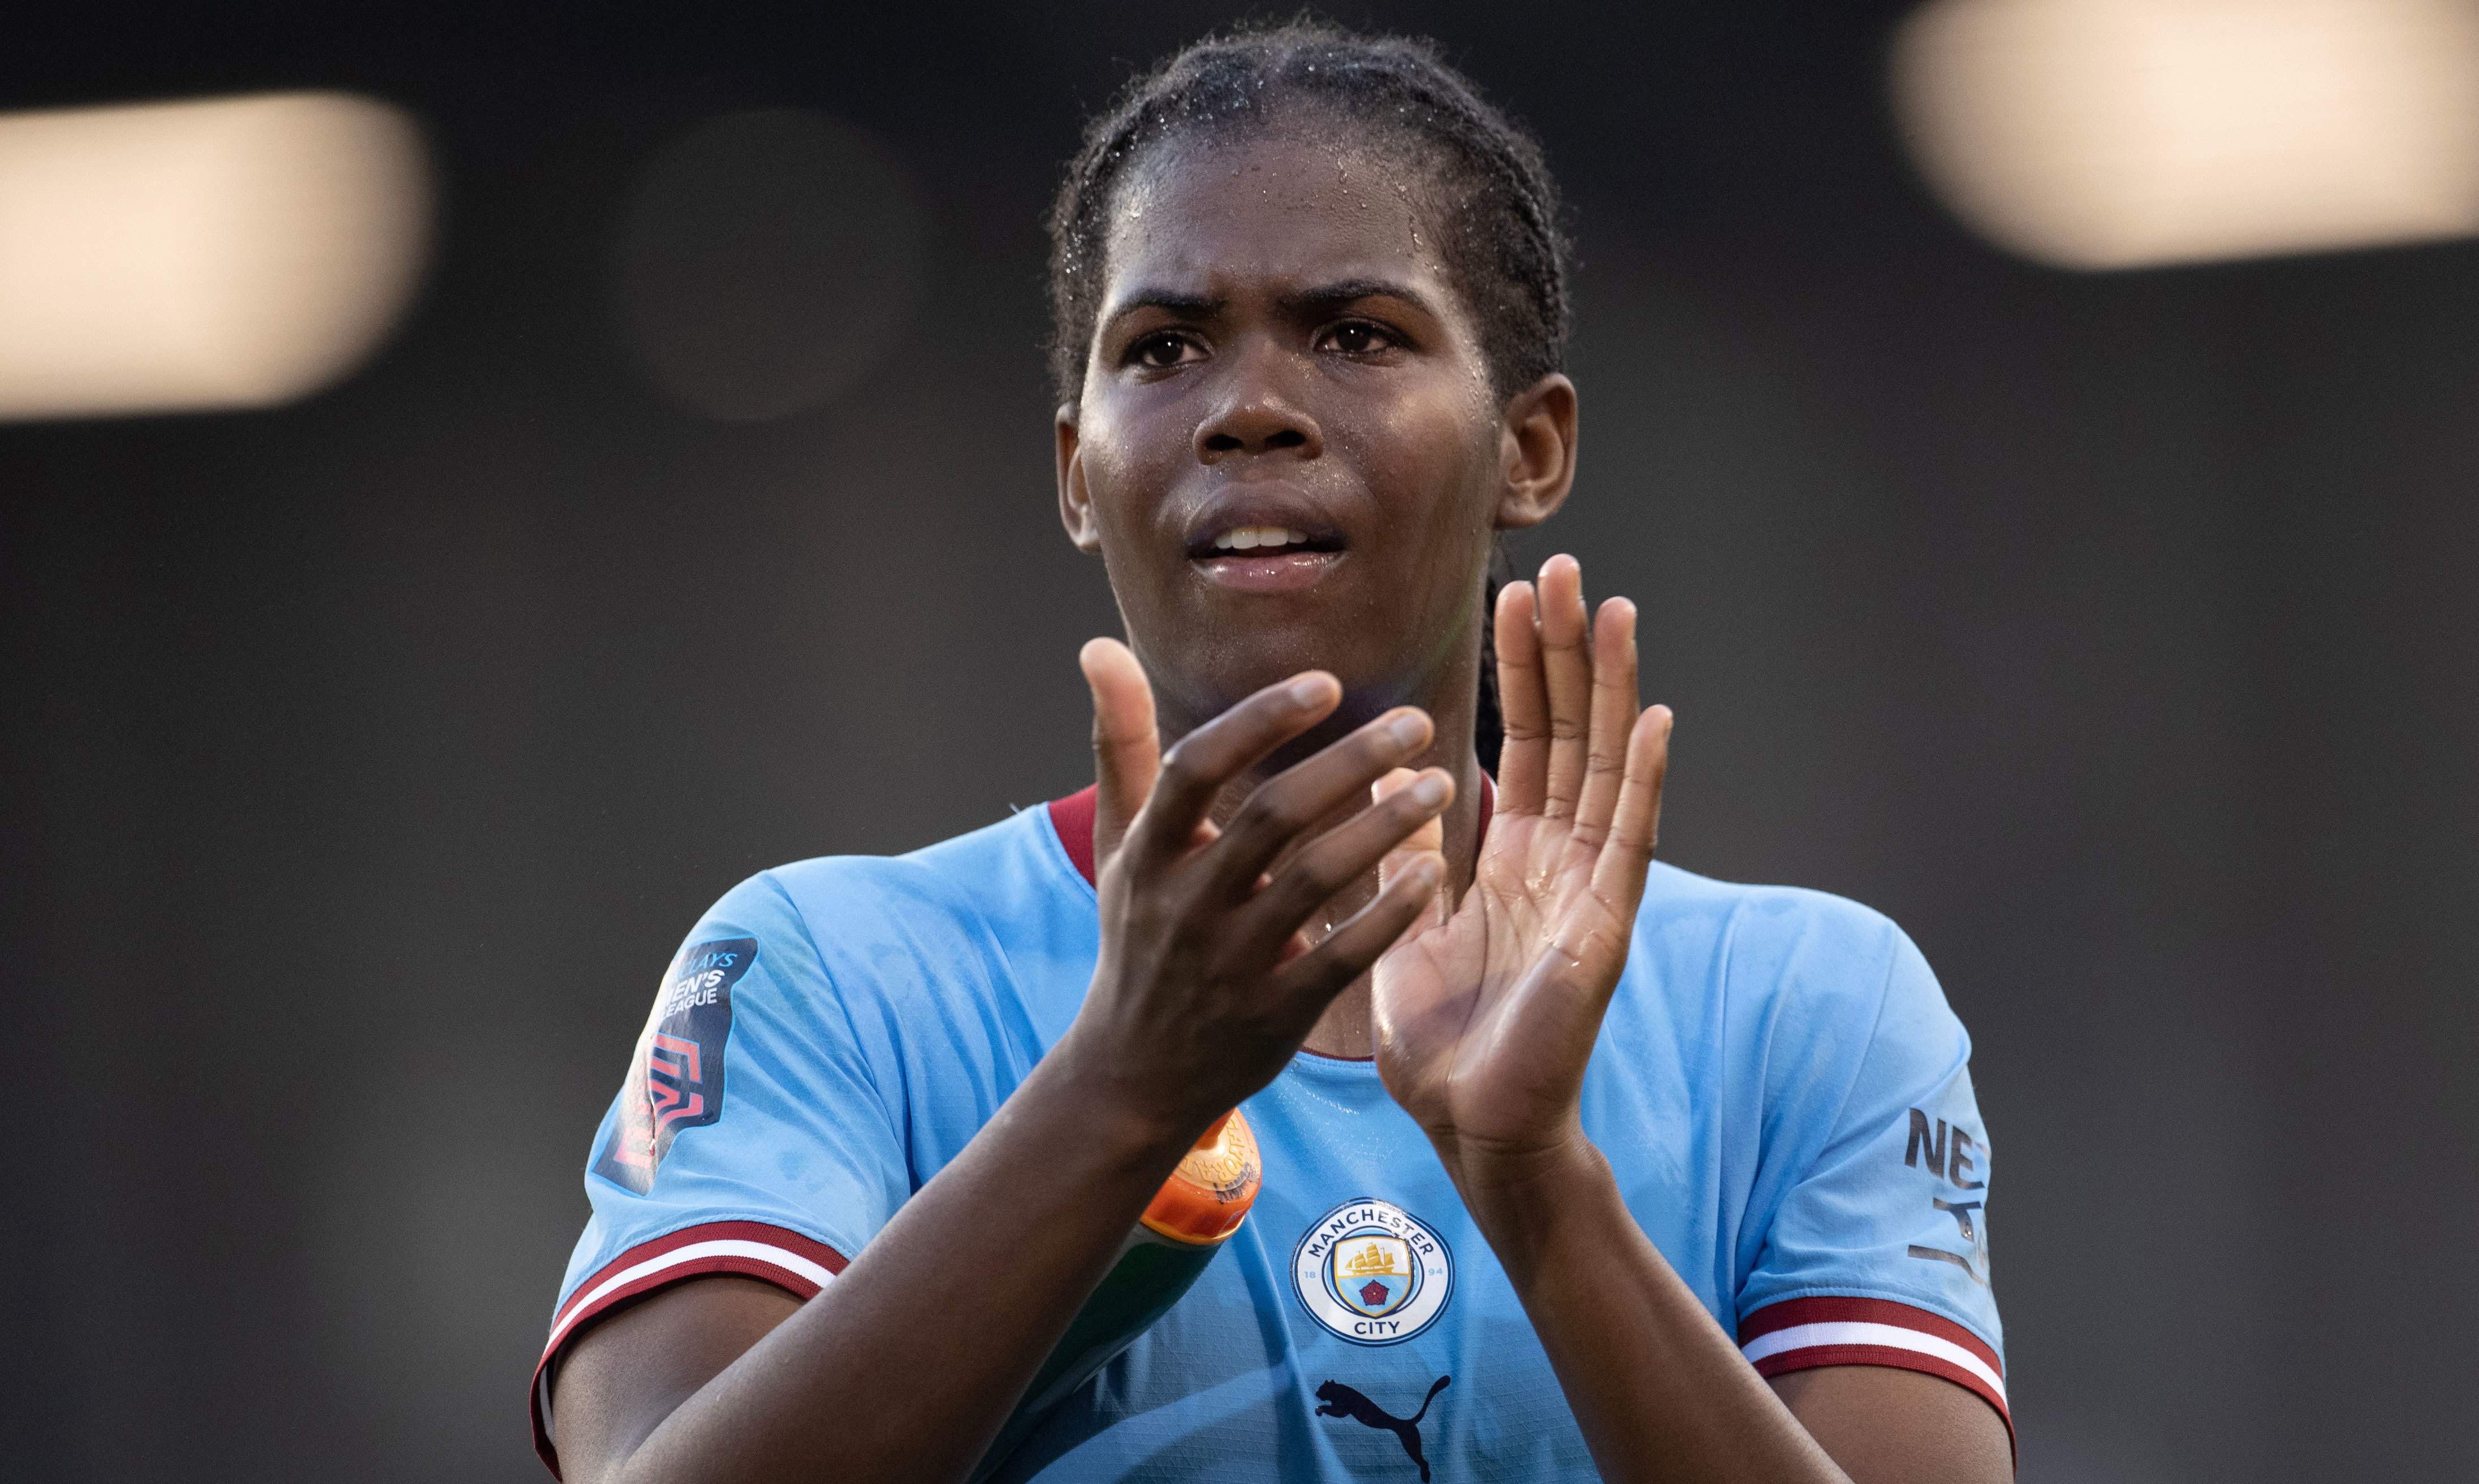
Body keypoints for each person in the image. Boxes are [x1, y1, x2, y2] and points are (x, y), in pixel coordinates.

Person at [533, 23, 2011, 1484]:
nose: (1246, 409)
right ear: (1073, 470)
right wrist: (1119, 1091)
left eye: (1356, 332)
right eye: (1163, 346)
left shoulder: (1814, 1007)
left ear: (1530, 447)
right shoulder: (822, 971)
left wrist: (1540, 1189)